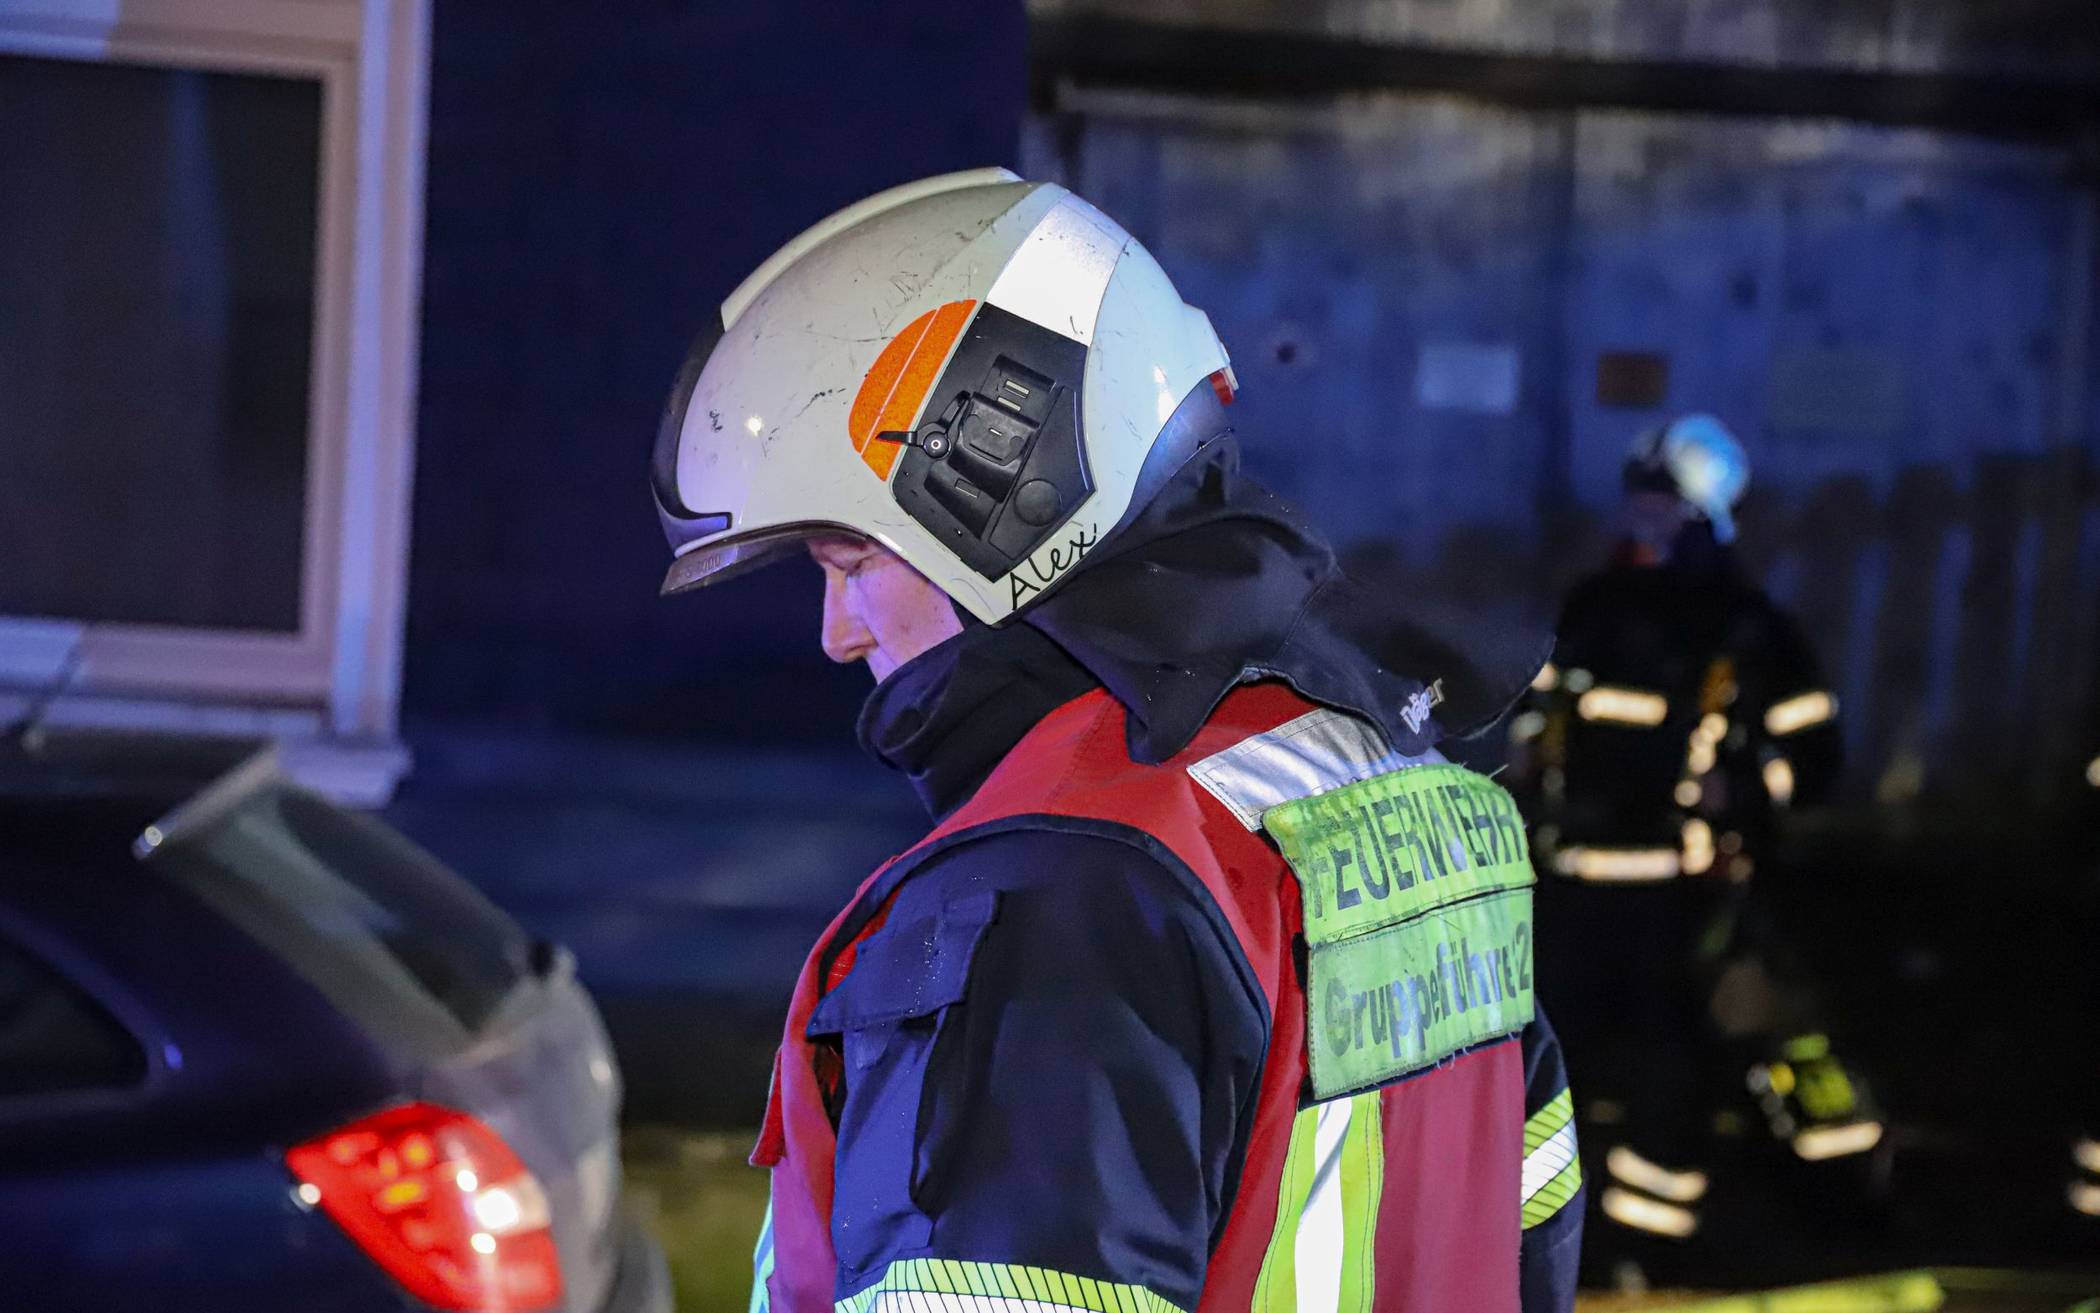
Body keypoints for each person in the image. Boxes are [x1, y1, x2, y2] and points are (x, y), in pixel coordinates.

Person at [649, 169, 1582, 1312]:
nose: (837, 632)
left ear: (999, 501)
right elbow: (1530, 1216)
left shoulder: (1055, 900)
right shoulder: (1390, 768)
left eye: (849, 565)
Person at [1509, 416, 1868, 1252]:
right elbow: (1540, 708)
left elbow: (1815, 757)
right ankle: (1543, 1241)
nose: (1641, 512)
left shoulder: (1747, 626)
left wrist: (1740, 789)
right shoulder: (1594, 605)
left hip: (1682, 901)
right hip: (1570, 890)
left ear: (1703, 512)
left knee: (1670, 1074)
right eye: (1638, 494)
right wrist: (1527, 755)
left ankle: (1649, 1239)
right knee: (1547, 1072)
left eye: (1661, 499)